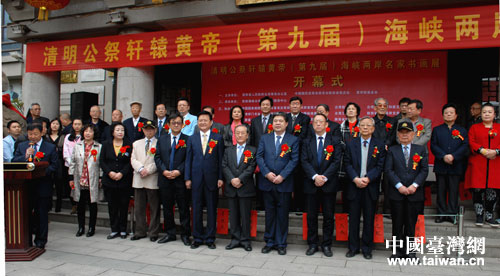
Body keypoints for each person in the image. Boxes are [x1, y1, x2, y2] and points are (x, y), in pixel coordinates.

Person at [385, 119, 428, 259]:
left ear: (413, 134)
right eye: (401, 132)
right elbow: (389, 170)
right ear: (397, 134)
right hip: (397, 193)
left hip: (414, 193)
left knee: (411, 223)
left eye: (407, 132)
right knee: (397, 223)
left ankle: (410, 251)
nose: (404, 135)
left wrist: (414, 185)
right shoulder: (392, 150)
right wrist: (400, 186)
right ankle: (397, 251)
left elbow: (424, 170)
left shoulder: (420, 150)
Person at [256, 112, 299, 255]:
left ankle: (281, 243)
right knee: (269, 214)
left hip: (284, 184)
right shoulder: (265, 138)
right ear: (272, 123)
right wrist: (267, 173)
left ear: (287, 124)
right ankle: (269, 242)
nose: (278, 123)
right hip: (267, 182)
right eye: (275, 121)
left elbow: (294, 160)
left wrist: (282, 176)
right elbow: (259, 157)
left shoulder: (292, 140)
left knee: (282, 215)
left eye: (281, 121)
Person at [344, 116, 386, 260]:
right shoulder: (351, 144)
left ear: (373, 128)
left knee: (369, 219)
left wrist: (368, 178)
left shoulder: (379, 145)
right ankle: (353, 248)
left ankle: (367, 248)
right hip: (354, 186)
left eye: (368, 125)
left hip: (370, 186)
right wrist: (356, 179)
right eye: (363, 125)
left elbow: (380, 166)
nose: (365, 128)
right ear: (359, 128)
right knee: (354, 219)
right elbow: (347, 164)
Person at [301, 114, 342, 257]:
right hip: (311, 183)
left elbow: (336, 161)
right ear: (313, 125)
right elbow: (304, 161)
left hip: (328, 184)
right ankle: (312, 244)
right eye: (316, 122)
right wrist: (315, 176)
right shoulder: (306, 142)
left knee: (328, 216)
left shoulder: (335, 141)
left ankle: (326, 245)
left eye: (321, 122)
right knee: (311, 216)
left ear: (326, 125)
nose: (318, 124)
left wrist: (324, 177)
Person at [12, 123, 58, 249]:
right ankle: (26, 240)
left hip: (43, 185)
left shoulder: (50, 147)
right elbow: (14, 161)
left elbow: (54, 166)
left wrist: (41, 171)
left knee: (41, 214)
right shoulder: (22, 146)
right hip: (25, 186)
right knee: (26, 214)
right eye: (30, 134)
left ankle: (41, 240)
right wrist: (25, 156)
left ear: (42, 132)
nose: (32, 137)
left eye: (35, 134)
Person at [185, 111, 224, 249]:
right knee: (196, 208)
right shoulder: (192, 138)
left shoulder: (218, 138)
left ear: (211, 122)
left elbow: (220, 160)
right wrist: (187, 178)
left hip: (212, 179)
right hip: (195, 179)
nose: (202, 122)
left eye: (205, 120)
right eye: (200, 120)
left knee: (212, 209)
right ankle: (197, 237)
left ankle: (210, 238)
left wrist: (220, 177)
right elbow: (188, 160)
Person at [155, 113, 192, 245]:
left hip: (180, 179)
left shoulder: (188, 140)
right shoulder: (162, 139)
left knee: (183, 208)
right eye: (173, 123)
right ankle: (170, 233)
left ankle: (185, 234)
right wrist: (164, 170)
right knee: (167, 208)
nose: (176, 125)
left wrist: (178, 171)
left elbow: (189, 159)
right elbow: (157, 157)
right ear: (169, 125)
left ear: (183, 125)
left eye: (178, 122)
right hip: (165, 179)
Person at [430, 103, 469, 224]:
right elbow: (433, 145)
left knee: (453, 190)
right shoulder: (437, 130)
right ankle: (441, 214)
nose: (448, 114)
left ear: (456, 115)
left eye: (451, 112)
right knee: (440, 190)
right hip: (441, 164)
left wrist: (454, 156)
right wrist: (443, 156)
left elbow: (465, 145)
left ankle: (452, 214)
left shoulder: (462, 130)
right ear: (442, 115)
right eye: (446, 113)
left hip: (456, 164)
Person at [222, 124, 257, 251]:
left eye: (243, 133)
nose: (240, 135)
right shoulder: (228, 150)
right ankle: (235, 239)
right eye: (238, 133)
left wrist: (240, 179)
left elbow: (251, 167)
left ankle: (245, 240)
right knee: (234, 216)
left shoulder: (253, 150)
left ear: (247, 135)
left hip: (245, 187)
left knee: (245, 216)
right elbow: (224, 166)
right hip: (232, 188)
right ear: (234, 135)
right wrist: (232, 179)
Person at [465, 103, 500, 227]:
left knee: (492, 191)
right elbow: (471, 141)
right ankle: (479, 215)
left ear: (494, 114)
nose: (487, 114)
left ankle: (490, 216)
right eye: (484, 112)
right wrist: (482, 150)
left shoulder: (498, 127)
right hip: (478, 162)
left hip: (495, 163)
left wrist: (496, 151)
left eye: (490, 112)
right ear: (481, 114)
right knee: (478, 190)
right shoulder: (474, 128)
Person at [100, 123, 133, 239]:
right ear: (112, 132)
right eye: (118, 130)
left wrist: (122, 173)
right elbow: (102, 161)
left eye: (122, 130)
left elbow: (130, 161)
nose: (120, 132)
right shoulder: (105, 144)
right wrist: (110, 172)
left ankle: (123, 229)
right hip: (109, 181)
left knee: (124, 206)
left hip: (124, 181)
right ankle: (114, 229)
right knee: (112, 206)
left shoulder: (129, 144)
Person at [68, 124, 102, 237]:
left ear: (94, 133)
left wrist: (101, 177)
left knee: (93, 204)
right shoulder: (77, 146)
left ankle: (92, 227)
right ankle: (81, 227)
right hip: (79, 178)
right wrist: (70, 177)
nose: (87, 133)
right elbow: (72, 162)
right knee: (80, 204)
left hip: (92, 179)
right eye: (86, 131)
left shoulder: (99, 146)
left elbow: (101, 164)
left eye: (90, 131)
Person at [130, 121, 161, 241]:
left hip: (152, 178)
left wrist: (148, 170)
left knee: (154, 207)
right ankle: (140, 231)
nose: (149, 131)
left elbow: (158, 160)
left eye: (151, 129)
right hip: (139, 178)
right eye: (146, 129)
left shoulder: (159, 143)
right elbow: (133, 159)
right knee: (139, 207)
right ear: (143, 130)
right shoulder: (136, 143)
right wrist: (140, 168)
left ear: (155, 130)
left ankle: (153, 232)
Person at [286, 96, 310, 213]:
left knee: (298, 182)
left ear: (301, 106)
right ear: (289, 105)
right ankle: (288, 206)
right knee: (286, 181)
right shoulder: (284, 118)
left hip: (299, 154)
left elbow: (303, 135)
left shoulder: (305, 118)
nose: (295, 106)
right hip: (284, 154)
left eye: (297, 104)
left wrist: (290, 143)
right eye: (293, 104)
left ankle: (298, 206)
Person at [250, 96, 274, 211]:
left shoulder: (275, 119)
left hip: (272, 155)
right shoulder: (254, 120)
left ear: (271, 106)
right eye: (263, 104)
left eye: (267, 104)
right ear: (260, 106)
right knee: (259, 179)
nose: (265, 106)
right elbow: (253, 138)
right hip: (258, 155)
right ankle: (260, 204)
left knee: (271, 178)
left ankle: (270, 204)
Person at [372, 98, 394, 216]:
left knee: (388, 183)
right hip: (374, 154)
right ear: (375, 108)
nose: (382, 107)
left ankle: (387, 210)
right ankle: (373, 209)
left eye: (384, 105)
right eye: (379, 105)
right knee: (373, 181)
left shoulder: (392, 121)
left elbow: (393, 136)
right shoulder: (371, 121)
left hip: (388, 153)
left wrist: (387, 144)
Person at [339, 102, 361, 212]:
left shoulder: (362, 125)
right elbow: (340, 142)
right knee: (346, 187)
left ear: (357, 112)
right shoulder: (341, 126)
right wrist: (348, 148)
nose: (351, 110)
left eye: (353, 109)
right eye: (348, 109)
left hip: (359, 158)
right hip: (345, 159)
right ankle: (346, 211)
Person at [63, 118, 84, 214]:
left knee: (80, 186)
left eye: (79, 124)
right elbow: (65, 151)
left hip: (82, 165)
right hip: (70, 165)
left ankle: (80, 204)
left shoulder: (84, 137)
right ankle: (73, 205)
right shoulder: (68, 137)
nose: (77, 126)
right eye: (75, 124)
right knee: (71, 185)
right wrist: (71, 161)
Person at [45, 118, 65, 212]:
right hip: (48, 162)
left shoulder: (63, 136)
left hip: (60, 162)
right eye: (53, 123)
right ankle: (48, 205)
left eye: (57, 124)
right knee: (48, 183)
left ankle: (58, 206)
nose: (55, 125)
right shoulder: (46, 136)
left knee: (59, 184)